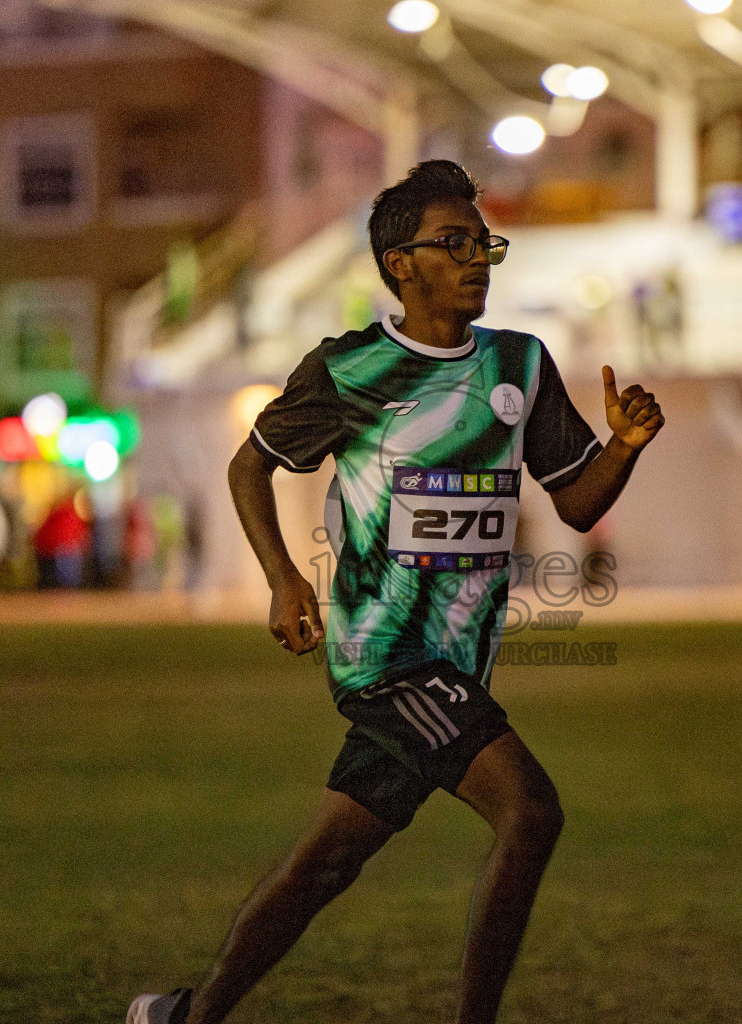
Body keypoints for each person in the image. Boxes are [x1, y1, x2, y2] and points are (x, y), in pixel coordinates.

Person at [128, 160, 665, 1024]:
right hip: (386, 658)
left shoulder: (521, 366)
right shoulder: (351, 371)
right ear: (398, 264)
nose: (477, 259)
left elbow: (575, 501)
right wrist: (281, 578)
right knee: (531, 812)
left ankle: (185, 1017)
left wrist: (625, 446)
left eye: (481, 242)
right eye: (451, 244)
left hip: (460, 668)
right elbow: (249, 465)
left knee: (327, 865)